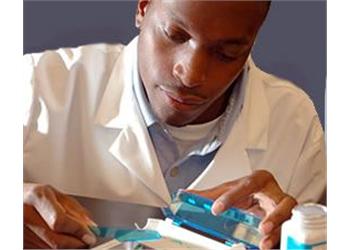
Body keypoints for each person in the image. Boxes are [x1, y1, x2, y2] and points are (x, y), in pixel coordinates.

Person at [23, 0, 326, 249]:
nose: (191, 75)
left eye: (227, 53)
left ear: (252, 42)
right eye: (175, 35)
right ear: (143, 8)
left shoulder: (294, 123)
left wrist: (296, 238)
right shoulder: (33, 86)